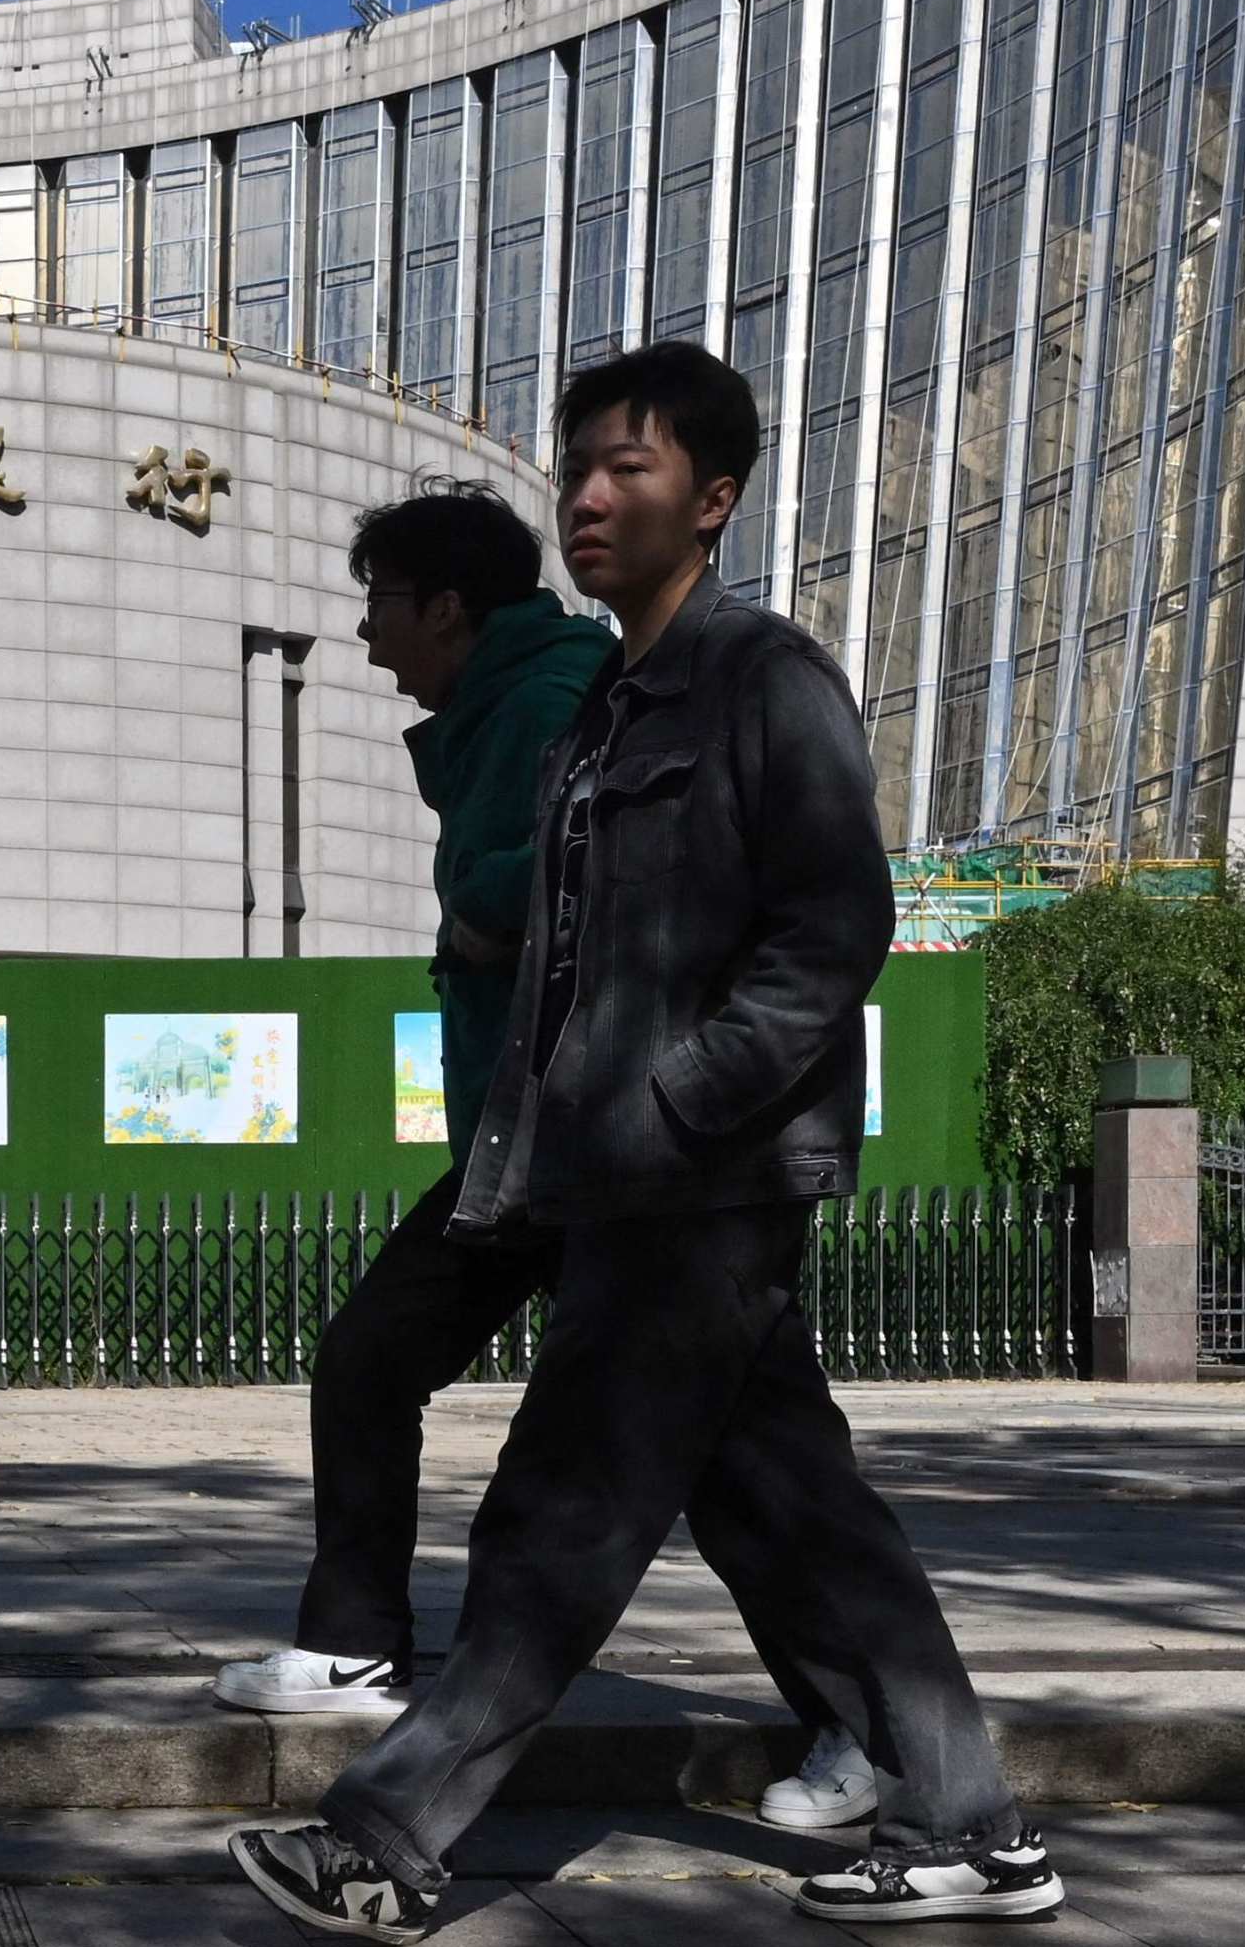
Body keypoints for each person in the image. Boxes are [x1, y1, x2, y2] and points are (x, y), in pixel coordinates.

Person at [227, 341, 1055, 1942]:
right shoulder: (611, 700)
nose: (591, 496)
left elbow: (833, 931)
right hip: (618, 1169)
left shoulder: (764, 678)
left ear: (715, 497)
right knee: (792, 1513)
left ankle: (388, 1836)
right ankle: (974, 1829)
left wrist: (675, 1101)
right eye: (580, 466)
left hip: (705, 1177)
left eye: (634, 469)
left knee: (555, 1522)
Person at [211, 478, 883, 1836]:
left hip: (614, 1141)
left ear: (449, 608)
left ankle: (881, 1741)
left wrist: (478, 918)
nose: (363, 633)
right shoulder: (523, 697)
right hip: (536, 1137)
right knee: (399, 1360)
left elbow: (592, 884)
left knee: (732, 1467)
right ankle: (360, 1644)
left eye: (380, 604)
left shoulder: (569, 693)